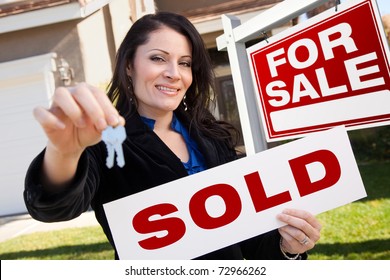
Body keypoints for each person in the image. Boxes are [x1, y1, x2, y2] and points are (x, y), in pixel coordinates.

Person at [24, 11, 321, 260]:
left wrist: (288, 248)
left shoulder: (211, 136)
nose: (174, 73)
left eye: (184, 62)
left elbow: (251, 240)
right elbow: (53, 208)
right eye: (157, 58)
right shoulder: (102, 142)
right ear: (129, 66)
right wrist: (64, 151)